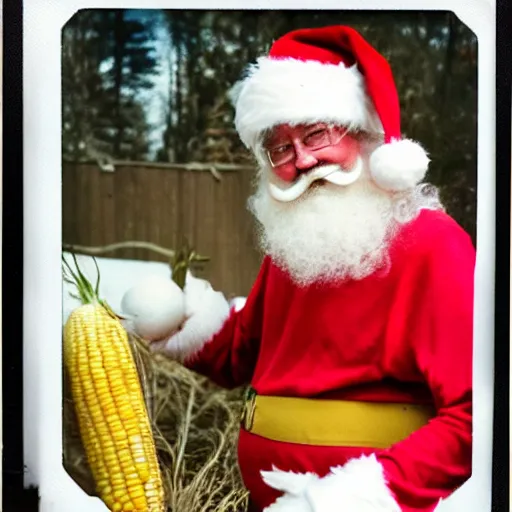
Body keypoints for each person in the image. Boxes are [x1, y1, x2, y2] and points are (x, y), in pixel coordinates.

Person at [121, 25, 474, 512]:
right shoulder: (300, 244)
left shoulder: (435, 245)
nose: (303, 160)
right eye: (281, 148)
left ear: (365, 134)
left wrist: (352, 499)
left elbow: (479, 419)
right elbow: (246, 355)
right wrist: (185, 321)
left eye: (316, 134)